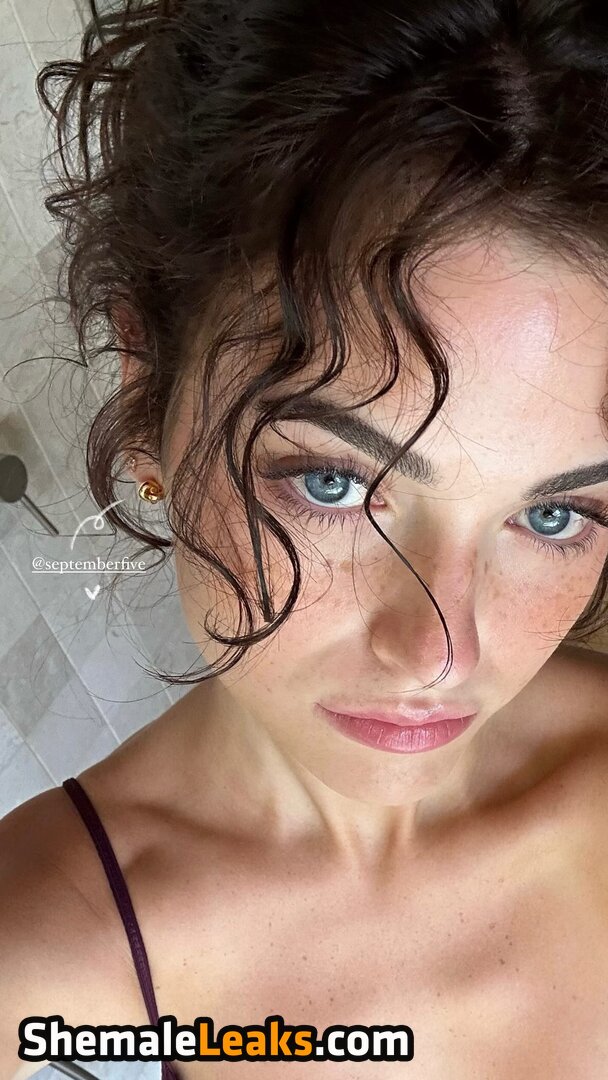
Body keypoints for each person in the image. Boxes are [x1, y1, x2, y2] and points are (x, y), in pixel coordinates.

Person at [2, 0, 608, 1076]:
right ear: (145, 391)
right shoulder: (45, 957)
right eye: (335, 482)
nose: (440, 656)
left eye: (552, 515)